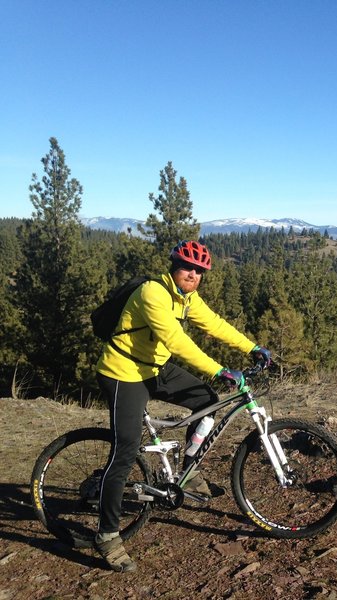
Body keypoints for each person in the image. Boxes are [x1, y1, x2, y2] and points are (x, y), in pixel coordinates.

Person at [94, 240, 271, 572]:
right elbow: (176, 340)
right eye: (188, 268)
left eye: (200, 271)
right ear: (173, 267)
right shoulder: (153, 293)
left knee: (206, 399)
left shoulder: (187, 298)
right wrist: (219, 370)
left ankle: (189, 472)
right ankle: (107, 536)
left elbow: (214, 324)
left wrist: (253, 347)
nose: (194, 274)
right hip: (123, 371)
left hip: (155, 367)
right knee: (126, 451)